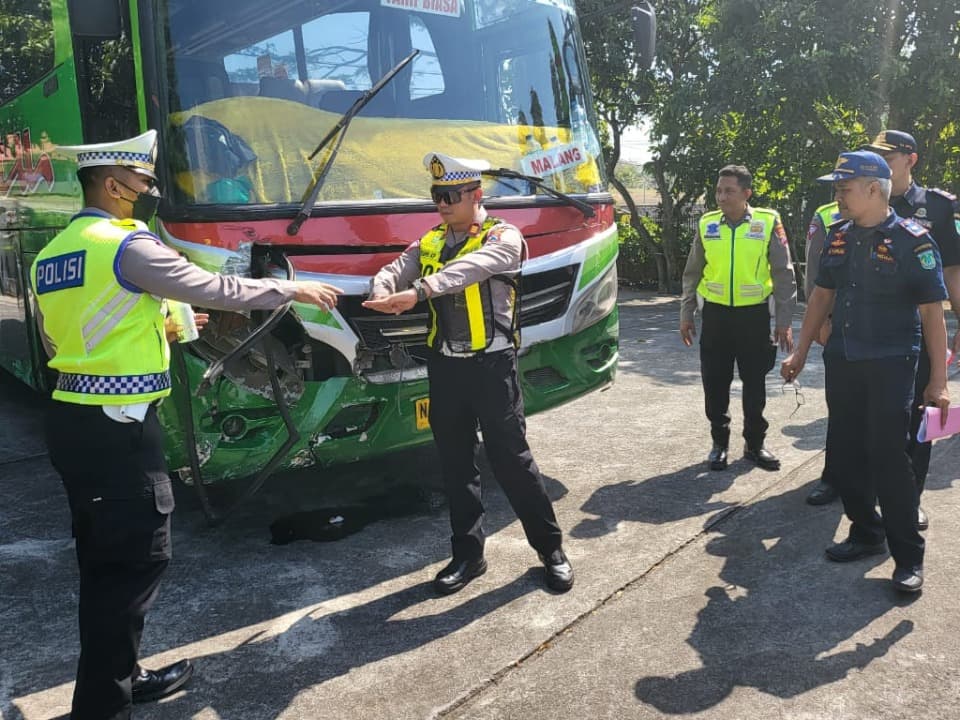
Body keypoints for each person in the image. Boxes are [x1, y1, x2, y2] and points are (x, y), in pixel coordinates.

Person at [30, 129, 342, 720]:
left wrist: (164, 327)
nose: (151, 190)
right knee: (136, 561)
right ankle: (102, 705)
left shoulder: (56, 252)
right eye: (145, 181)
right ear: (112, 184)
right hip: (119, 430)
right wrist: (291, 287)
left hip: (73, 422)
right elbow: (218, 288)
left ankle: (120, 675)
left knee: (104, 560)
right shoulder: (125, 244)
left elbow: (68, 334)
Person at [362, 152, 573, 595]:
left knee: (512, 463)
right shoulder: (432, 240)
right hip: (446, 368)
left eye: (450, 195)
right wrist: (382, 289)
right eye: (436, 195)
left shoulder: (504, 237)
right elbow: (396, 267)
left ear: (476, 195)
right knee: (456, 465)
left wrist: (419, 290)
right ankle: (468, 555)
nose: (441, 203)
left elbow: (467, 272)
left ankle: (551, 550)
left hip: (492, 368)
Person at [781, 150, 950, 594]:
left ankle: (908, 556)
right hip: (844, 358)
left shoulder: (913, 240)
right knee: (848, 452)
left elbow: (932, 314)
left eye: (844, 188)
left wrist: (938, 379)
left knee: (887, 454)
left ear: (874, 189)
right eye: (836, 188)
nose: (837, 196)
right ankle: (865, 531)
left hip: (894, 361)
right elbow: (820, 296)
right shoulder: (839, 236)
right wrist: (800, 351)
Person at [860, 130, 960, 530]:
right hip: (869, 328)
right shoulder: (864, 199)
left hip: (918, 331)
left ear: (911, 159)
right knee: (871, 418)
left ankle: (910, 498)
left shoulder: (935, 207)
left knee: (919, 414)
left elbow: (952, 269)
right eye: (875, 155)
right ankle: (868, 499)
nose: (882, 162)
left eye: (889, 155)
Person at [680, 164, 797, 472]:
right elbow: (692, 273)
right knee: (714, 382)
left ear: (747, 193)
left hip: (754, 317)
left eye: (729, 191)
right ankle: (719, 443)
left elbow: (783, 274)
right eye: (718, 191)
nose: (721, 197)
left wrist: (783, 322)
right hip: (716, 317)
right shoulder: (707, 224)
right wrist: (686, 312)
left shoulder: (768, 222)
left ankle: (755, 444)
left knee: (755, 384)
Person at [802, 200, 843, 504]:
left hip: (895, 331)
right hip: (841, 324)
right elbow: (815, 273)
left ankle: (900, 494)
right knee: (841, 408)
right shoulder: (827, 214)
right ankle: (834, 478)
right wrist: (821, 321)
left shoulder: (918, 210)